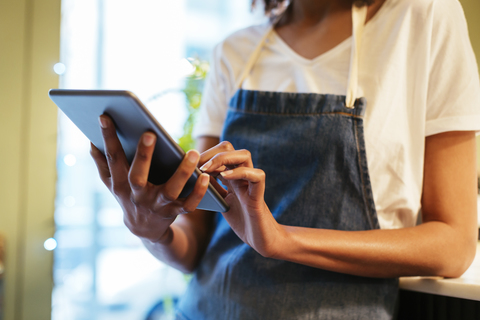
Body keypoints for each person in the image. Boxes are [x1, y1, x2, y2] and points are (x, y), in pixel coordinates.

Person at [90, 0, 480, 318]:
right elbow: (194, 247)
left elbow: (453, 245)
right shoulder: (235, 52)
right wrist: (153, 230)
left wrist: (281, 241)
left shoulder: (422, 18)